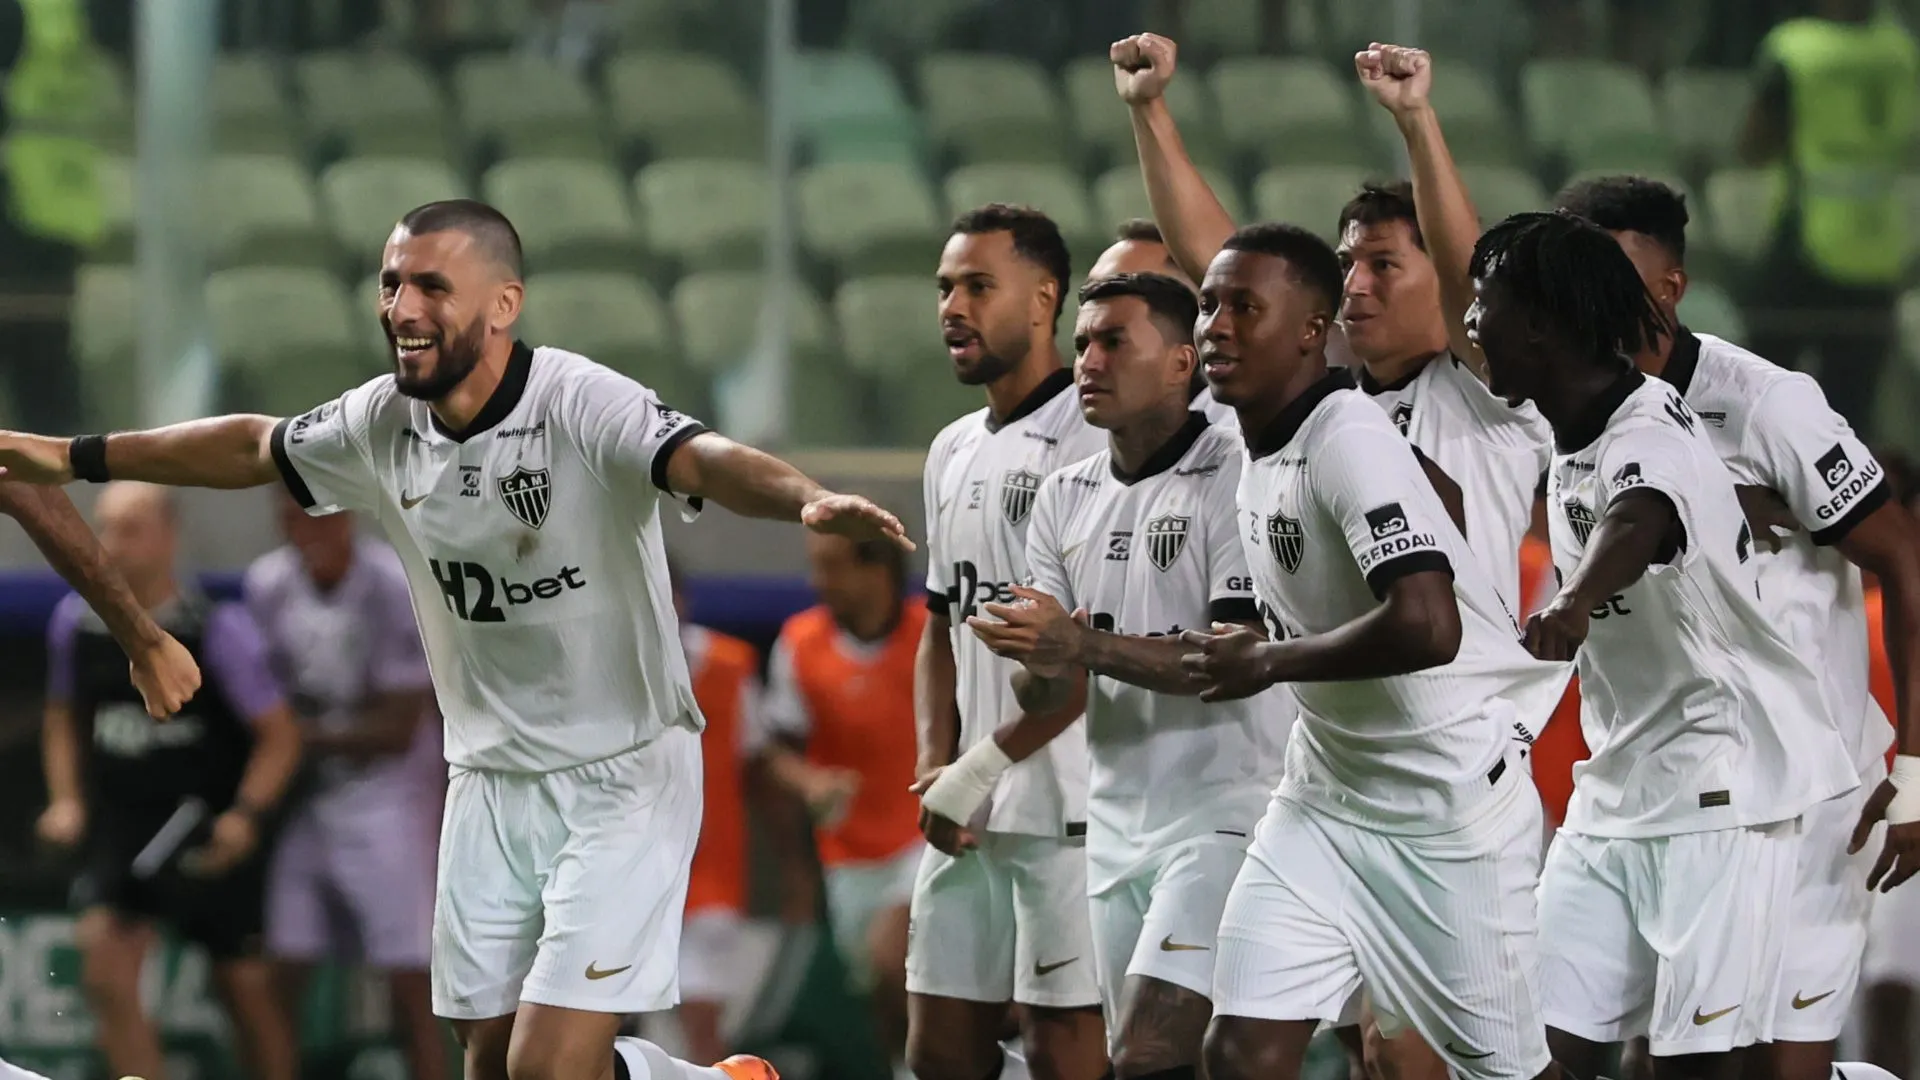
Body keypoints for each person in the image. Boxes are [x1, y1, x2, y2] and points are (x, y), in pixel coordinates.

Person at [0, 198, 913, 1080]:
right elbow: (251, 446)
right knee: (485, 1061)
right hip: (486, 782)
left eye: (432, 286)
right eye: (391, 284)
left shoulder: (578, 400)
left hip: (621, 776)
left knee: (545, 1068)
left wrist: (804, 498)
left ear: (503, 304)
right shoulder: (380, 423)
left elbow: (700, 457)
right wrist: (75, 456)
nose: (403, 308)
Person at [1466, 210, 1861, 1080]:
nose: (1469, 324)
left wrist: (1572, 603)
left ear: (1539, 323)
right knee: (1518, 1051)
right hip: (1619, 789)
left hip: (1727, 788)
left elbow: (1638, 516)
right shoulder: (1566, 425)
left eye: (1482, 304)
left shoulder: (1655, 429)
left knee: (1696, 1070)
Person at [1550, 174, 1920, 1080]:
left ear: (1671, 288)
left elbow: (1907, 565)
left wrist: (1915, 773)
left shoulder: (1765, 405)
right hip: (1651, 787)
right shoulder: (1555, 409)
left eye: (1619, 280)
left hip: (1805, 795)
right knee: (1546, 1046)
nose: (1593, 305)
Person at [1176, 223, 1566, 1080]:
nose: (1216, 326)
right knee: (1240, 1053)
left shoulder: (1344, 437)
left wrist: (1270, 661)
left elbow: (1431, 625)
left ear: (1313, 330)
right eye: (1207, 305)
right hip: (1325, 797)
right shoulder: (1259, 438)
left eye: (1245, 306)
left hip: (1447, 811)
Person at [928, 271, 1289, 1080]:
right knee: (1183, 1062)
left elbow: (1233, 661)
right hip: (1116, 820)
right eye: (1084, 341)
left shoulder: (1237, 475)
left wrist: (1079, 645)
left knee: (1147, 1053)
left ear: (1180, 363)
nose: (1088, 359)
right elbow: (1056, 687)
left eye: (1113, 341)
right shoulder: (1065, 496)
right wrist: (1034, 661)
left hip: (1227, 811)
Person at [1115, 31, 1554, 628]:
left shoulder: (1488, 391)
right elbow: (1219, 258)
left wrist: (1416, 120)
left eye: (1385, 265)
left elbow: (1463, 267)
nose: (1357, 285)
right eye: (1348, 264)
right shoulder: (1326, 379)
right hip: (1342, 694)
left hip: (1463, 699)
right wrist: (1149, 109)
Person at [912, 203, 1109, 1080]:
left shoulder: (1094, 438)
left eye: (978, 286)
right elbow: (940, 624)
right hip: (966, 807)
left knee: (1066, 1050)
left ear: (1044, 301)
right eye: (946, 287)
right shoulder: (950, 448)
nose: (953, 306)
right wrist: (937, 763)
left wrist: (979, 770)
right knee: (941, 1049)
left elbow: (1084, 654)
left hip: (1068, 809)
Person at [38, 481, 305, 1080]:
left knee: (246, 991)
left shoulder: (217, 629)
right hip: (124, 828)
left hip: (203, 829)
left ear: (169, 536)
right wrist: (66, 801)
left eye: (130, 529)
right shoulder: (74, 626)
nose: (113, 545)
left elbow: (280, 734)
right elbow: (61, 717)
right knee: (105, 970)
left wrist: (246, 816)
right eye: (104, 529)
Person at [246, 492, 446, 1080]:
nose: (309, 527)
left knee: (410, 975)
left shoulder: (393, 583)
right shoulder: (268, 584)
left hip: (389, 795)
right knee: (284, 961)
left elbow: (398, 725)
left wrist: (290, 740)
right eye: (294, 514)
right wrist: (285, 740)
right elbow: (266, 695)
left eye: (321, 513)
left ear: (347, 517)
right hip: (307, 796)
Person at [759, 531, 926, 1073]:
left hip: (924, 839)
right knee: (880, 994)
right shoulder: (800, 642)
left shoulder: (933, 634)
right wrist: (810, 783)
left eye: (830, 567)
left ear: (876, 571)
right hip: (848, 854)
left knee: (892, 958)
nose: (818, 582)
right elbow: (776, 750)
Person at [1738, 0, 1918, 434]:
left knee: (1761, 390)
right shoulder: (1902, 50)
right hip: (1879, 250)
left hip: (1808, 242)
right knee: (1852, 411)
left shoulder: (1796, 49)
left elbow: (1753, 146)